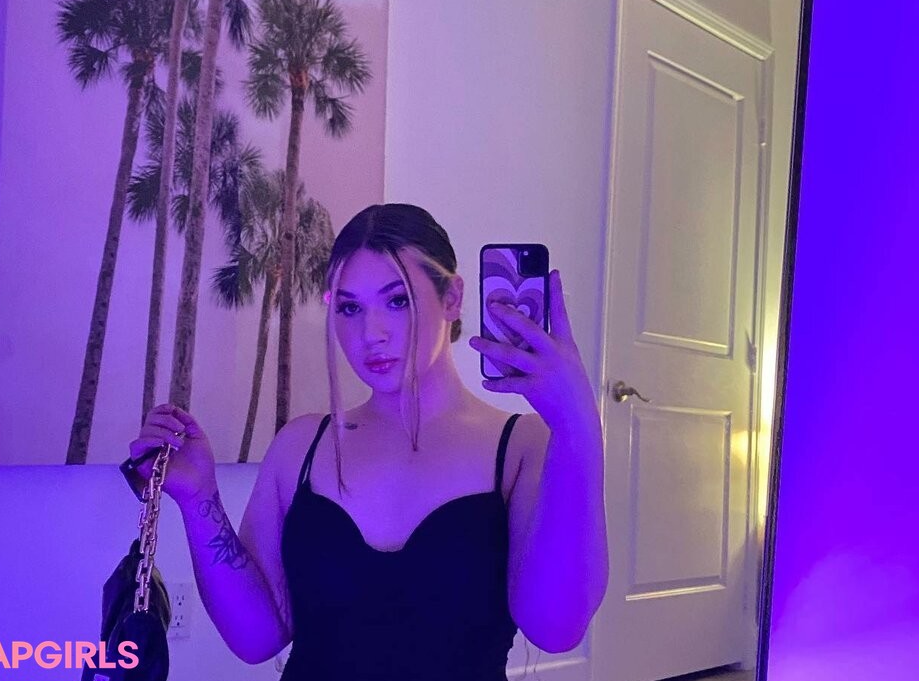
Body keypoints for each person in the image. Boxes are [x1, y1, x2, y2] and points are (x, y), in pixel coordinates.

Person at [129, 203, 608, 680]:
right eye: (349, 307)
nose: (370, 334)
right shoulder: (302, 445)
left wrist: (577, 426)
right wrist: (198, 498)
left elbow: (556, 628)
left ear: (452, 297)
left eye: (397, 301)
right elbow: (257, 640)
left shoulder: (524, 446)